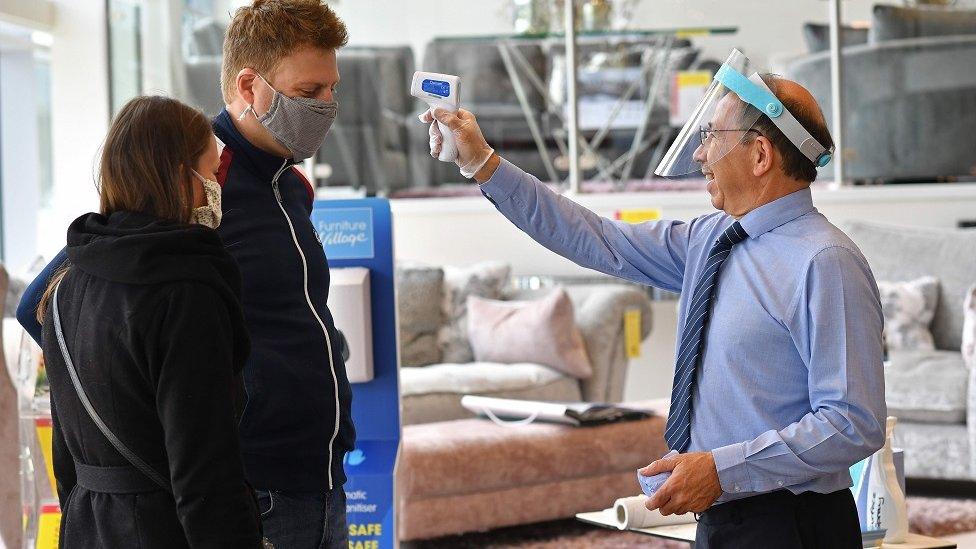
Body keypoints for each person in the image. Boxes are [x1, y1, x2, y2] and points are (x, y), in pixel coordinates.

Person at [420, 50, 886, 548]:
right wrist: (483, 164)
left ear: (759, 155)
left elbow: (852, 423)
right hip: (723, 516)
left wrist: (722, 470)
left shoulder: (826, 262)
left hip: (794, 524)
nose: (701, 154)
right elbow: (595, 238)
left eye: (712, 137)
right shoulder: (710, 240)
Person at [19, 2, 355, 547]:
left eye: (332, 89)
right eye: (309, 91)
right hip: (244, 488)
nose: (327, 106)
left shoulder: (291, 185)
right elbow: (52, 300)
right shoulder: (197, 182)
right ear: (250, 86)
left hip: (320, 477)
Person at [34, 95, 261, 548]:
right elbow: (204, 473)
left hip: (87, 528)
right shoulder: (186, 289)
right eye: (212, 172)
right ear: (179, 175)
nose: (217, 186)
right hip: (164, 531)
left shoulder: (64, 285)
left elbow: (66, 457)